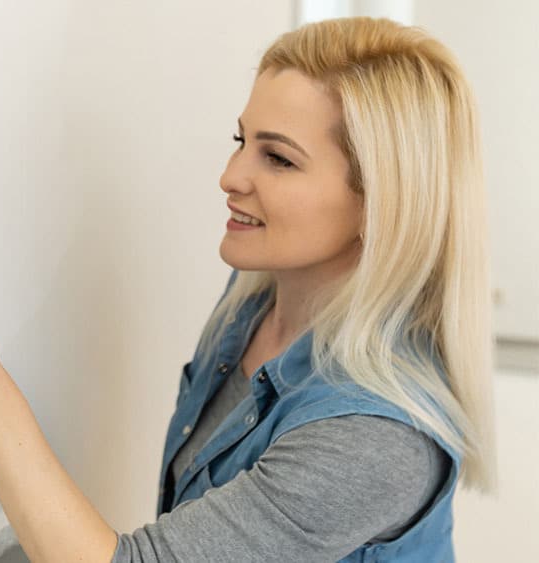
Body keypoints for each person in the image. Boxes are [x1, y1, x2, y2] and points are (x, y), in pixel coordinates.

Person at [111, 16, 497, 562]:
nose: (230, 176)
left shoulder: (373, 435)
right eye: (241, 140)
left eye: (278, 158)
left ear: (382, 202)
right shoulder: (250, 303)